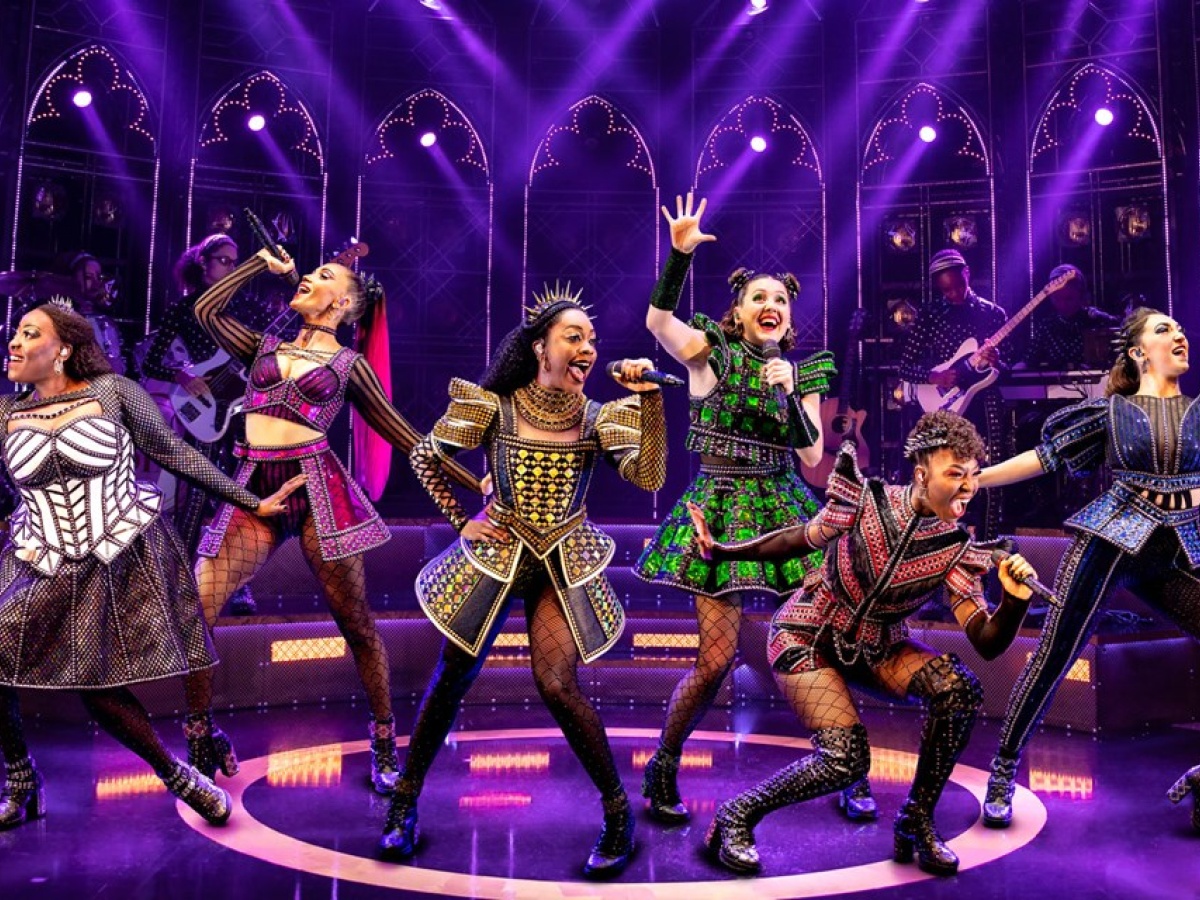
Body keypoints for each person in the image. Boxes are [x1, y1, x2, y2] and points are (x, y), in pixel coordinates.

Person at [377, 284, 667, 878]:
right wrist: (463, 520)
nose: (587, 348)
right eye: (573, 337)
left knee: (557, 685)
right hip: (497, 552)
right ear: (541, 347)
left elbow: (650, 476)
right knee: (452, 677)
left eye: (591, 339)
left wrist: (651, 401)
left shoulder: (598, 416)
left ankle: (618, 814)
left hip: (563, 558)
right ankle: (404, 803)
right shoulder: (495, 406)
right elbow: (424, 456)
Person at [184, 247, 481, 794]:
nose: (305, 276)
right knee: (196, 607)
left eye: (323, 276)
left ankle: (384, 739)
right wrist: (257, 264)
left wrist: (473, 483)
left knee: (357, 625)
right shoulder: (263, 346)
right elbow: (205, 311)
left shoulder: (349, 366)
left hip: (318, 491)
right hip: (255, 488)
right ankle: (202, 733)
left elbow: (405, 435)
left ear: (342, 303)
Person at [689, 411, 1037, 876]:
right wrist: (724, 551)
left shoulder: (955, 548)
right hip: (807, 634)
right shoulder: (864, 499)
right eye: (956, 474)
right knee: (846, 761)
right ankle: (736, 815)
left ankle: (915, 821)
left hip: (878, 649)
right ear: (922, 474)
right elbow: (796, 540)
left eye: (974, 475)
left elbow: (986, 642)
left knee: (959, 689)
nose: (969, 486)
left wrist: (1013, 602)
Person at [0, 301, 300, 830]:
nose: (14, 342)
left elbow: (173, 454)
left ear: (63, 349)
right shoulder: (6, 413)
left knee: (95, 689)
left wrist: (250, 501)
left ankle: (178, 775)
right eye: (14, 333)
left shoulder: (113, 392)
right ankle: (22, 779)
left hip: (112, 556)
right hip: (39, 560)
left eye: (29, 333)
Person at [633, 193, 853, 822]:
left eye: (779, 299)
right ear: (738, 311)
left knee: (822, 638)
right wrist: (679, 256)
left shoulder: (802, 373)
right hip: (721, 507)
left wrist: (789, 392)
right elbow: (658, 324)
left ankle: (847, 760)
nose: (770, 305)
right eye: (758, 297)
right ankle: (664, 763)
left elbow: (812, 455)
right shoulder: (712, 356)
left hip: (785, 505)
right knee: (715, 660)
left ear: (788, 317)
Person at [976, 306, 1200, 832]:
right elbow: (1043, 457)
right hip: (1110, 542)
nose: (1180, 334)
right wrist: (974, 479)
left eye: (1180, 328)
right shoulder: (1112, 412)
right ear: (1139, 352)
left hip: (1175, 548)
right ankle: (1003, 771)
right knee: (1054, 656)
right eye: (1164, 329)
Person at [141, 234, 258, 615]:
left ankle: (236, 585)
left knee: (239, 499)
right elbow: (150, 363)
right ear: (203, 263)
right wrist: (182, 375)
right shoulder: (183, 309)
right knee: (193, 499)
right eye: (224, 260)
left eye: (235, 261)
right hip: (204, 413)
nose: (230, 267)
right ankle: (177, 585)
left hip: (240, 411)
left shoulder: (242, 308)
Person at [899, 248, 1009, 538]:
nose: (954, 294)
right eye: (946, 290)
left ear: (967, 274)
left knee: (988, 471)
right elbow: (905, 366)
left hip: (985, 402)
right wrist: (934, 376)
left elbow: (1009, 370)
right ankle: (939, 540)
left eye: (958, 286)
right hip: (946, 407)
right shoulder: (930, 314)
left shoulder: (993, 313)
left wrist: (998, 362)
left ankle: (988, 540)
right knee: (942, 473)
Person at [1023, 264, 1119, 369]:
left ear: (1081, 296)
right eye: (1058, 298)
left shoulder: (1096, 321)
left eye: (1069, 298)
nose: (1063, 304)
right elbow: (1029, 361)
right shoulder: (1046, 327)